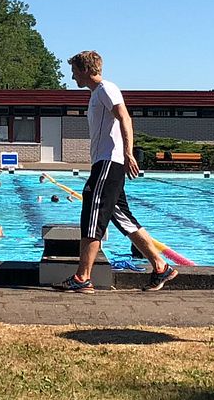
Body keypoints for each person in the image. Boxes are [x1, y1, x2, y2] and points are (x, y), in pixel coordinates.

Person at [54, 50, 178, 294]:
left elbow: (125, 118)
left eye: (75, 71)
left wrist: (128, 153)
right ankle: (160, 266)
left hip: (109, 163)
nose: (72, 76)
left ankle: (82, 277)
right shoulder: (95, 94)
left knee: (92, 214)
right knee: (122, 217)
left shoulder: (106, 89)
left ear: (86, 70)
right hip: (106, 163)